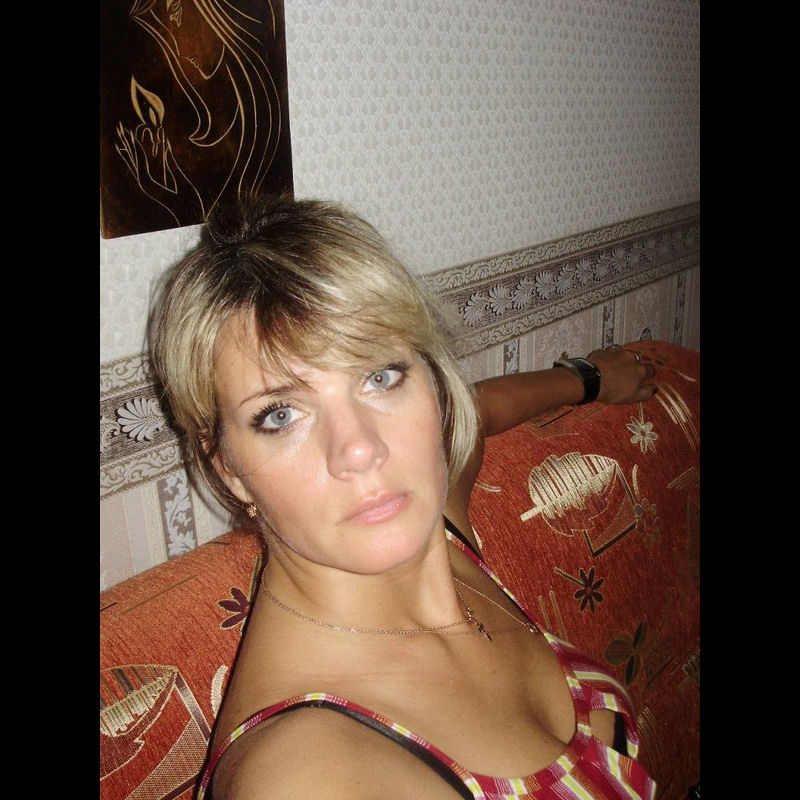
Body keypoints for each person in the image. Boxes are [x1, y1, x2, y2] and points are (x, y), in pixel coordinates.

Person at [150, 194, 657, 799]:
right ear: (228, 468)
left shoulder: (440, 534)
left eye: (380, 377)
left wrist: (587, 379)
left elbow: (473, 415)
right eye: (280, 414)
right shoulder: (303, 775)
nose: (361, 449)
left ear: (432, 384)